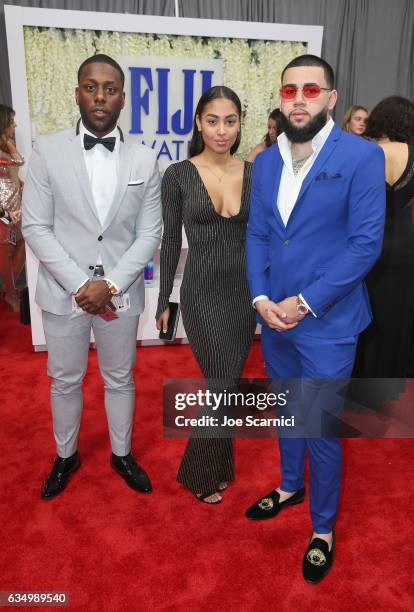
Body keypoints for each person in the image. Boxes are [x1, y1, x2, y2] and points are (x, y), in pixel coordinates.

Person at [245, 54, 385, 583]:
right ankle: (288, 486)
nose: (298, 98)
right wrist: (261, 299)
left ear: (330, 97)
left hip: (326, 320)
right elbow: (259, 234)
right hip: (273, 316)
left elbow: (365, 244)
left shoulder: (361, 156)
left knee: (321, 426)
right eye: (288, 90)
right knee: (287, 410)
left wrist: (303, 303)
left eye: (310, 89)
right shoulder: (265, 161)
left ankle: (322, 527)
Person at [22, 54, 162, 500]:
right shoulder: (47, 150)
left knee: (120, 377)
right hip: (66, 293)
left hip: (120, 293)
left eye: (110, 88)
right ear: (78, 91)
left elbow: (150, 233)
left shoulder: (145, 159)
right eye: (91, 86)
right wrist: (82, 286)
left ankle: (122, 454)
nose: (100, 96)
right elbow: (35, 227)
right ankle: (66, 456)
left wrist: (112, 285)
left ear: (123, 98)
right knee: (64, 379)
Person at [156, 86, 256, 504]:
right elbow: (167, 241)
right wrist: (165, 300)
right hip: (200, 294)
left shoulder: (254, 172)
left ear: (238, 123)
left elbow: (265, 237)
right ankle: (196, 472)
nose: (221, 130)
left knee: (228, 383)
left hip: (244, 294)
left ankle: (219, 466)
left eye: (230, 120)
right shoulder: (178, 174)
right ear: (198, 122)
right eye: (212, 120)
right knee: (220, 384)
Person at [353, 97, 414, 380]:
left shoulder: (367, 152)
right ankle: (390, 382)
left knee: (366, 311)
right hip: (405, 243)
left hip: (368, 243)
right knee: (397, 314)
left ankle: (361, 379)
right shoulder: (411, 153)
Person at [0, 105, 25, 312]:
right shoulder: (5, 149)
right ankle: (10, 293)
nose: (15, 125)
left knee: (24, 244)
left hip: (15, 204)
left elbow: (13, 172)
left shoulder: (4, 147)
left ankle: (9, 288)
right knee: (5, 251)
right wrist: (8, 142)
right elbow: (18, 161)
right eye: (11, 122)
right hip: (3, 208)